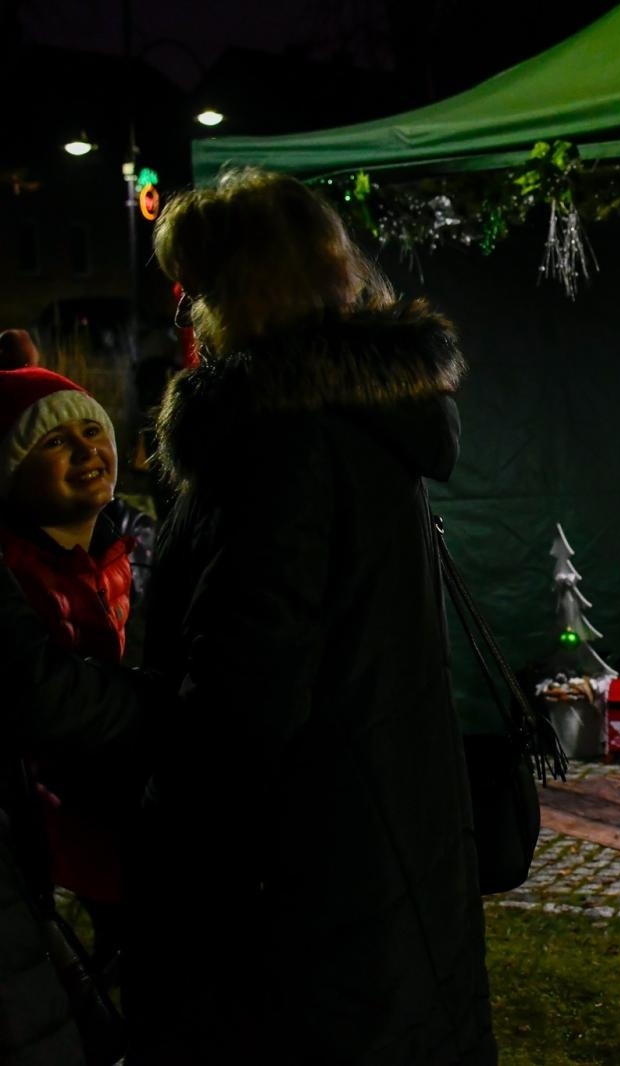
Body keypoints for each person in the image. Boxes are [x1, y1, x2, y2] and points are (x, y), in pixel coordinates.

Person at [3, 167, 494, 1064]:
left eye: (195, 285)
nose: (186, 309)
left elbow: (237, 715)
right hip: (376, 883)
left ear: (238, 291)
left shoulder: (278, 446)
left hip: (289, 909)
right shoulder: (361, 422)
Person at [0, 367, 140, 979]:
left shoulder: (136, 550)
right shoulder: (14, 575)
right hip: (54, 839)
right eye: (55, 441)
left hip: (130, 819)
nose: (86, 450)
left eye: (92, 431)